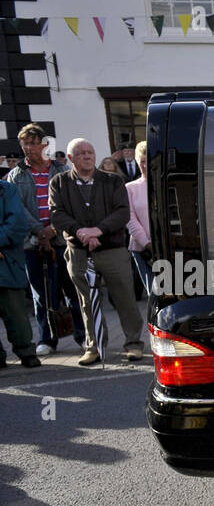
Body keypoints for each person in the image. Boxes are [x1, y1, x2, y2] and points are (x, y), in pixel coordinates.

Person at [48, 137, 145, 365]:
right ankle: (94, 346)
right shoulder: (59, 183)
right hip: (79, 251)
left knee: (125, 298)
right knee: (87, 301)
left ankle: (133, 344)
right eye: (81, 153)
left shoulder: (112, 181)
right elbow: (56, 214)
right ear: (71, 158)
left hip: (111, 249)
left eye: (90, 152)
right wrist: (80, 232)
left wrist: (97, 230)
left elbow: (122, 212)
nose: (87, 156)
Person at [6, 123, 84, 356]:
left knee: (72, 290)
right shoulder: (15, 175)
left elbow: (71, 203)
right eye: (24, 144)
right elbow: (16, 208)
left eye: (32, 143)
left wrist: (53, 229)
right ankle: (47, 339)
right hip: (33, 244)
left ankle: (81, 335)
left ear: (44, 144)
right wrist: (39, 232)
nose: (28, 148)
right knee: (42, 294)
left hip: (63, 240)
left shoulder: (61, 170)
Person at [0, 176, 40, 367]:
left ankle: (26, 351)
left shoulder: (7, 190)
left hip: (6, 261)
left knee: (15, 310)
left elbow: (17, 223)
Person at [125, 140, 153, 295]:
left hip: (168, 248)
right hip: (142, 249)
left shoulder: (165, 186)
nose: (144, 165)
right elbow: (129, 218)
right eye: (141, 161)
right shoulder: (130, 188)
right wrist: (147, 243)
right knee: (153, 292)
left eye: (148, 161)